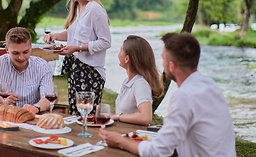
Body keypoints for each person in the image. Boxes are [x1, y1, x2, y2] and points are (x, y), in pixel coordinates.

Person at [99, 32, 236, 157]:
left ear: (172, 66)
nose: (162, 65)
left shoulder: (184, 96)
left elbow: (159, 150)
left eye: (163, 59)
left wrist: (120, 141)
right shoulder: (211, 86)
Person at [44, 0, 111, 115]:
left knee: (87, 116)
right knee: (75, 115)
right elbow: (73, 34)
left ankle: (89, 138)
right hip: (76, 69)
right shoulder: (77, 7)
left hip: (90, 72)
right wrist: (55, 36)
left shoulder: (95, 9)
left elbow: (106, 42)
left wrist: (77, 48)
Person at [0, 27, 53, 114]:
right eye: (15, 53)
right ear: (7, 50)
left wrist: (35, 107)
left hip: (31, 116)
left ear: (31, 47)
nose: (21, 57)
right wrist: (0, 99)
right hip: (3, 117)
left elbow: (48, 98)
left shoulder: (42, 66)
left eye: (25, 52)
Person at [112, 35, 163, 125]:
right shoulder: (128, 82)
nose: (118, 54)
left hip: (133, 136)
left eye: (121, 50)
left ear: (127, 59)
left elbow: (146, 118)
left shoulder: (140, 84)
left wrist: (118, 116)